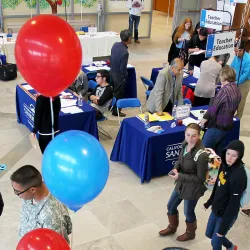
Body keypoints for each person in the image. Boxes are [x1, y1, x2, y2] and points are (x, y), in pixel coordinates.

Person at [159, 123, 208, 241]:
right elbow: (180, 160)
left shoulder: (202, 155)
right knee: (171, 205)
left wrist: (180, 176)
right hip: (181, 182)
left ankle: (190, 233)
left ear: (199, 135)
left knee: (188, 212)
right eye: (188, 135)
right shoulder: (185, 144)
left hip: (193, 188)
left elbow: (200, 179)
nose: (190, 139)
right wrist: (176, 168)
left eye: (194, 136)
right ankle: (172, 227)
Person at [10, 165, 72, 242]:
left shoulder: (51, 217)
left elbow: (54, 245)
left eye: (18, 192)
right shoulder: (28, 194)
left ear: (32, 190)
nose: (16, 194)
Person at [204, 140, 247, 250]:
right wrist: (210, 201)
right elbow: (217, 185)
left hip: (226, 214)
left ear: (239, 156)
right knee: (209, 233)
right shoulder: (224, 164)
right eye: (228, 153)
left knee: (215, 241)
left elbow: (234, 204)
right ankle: (231, 247)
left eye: (234, 156)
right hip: (216, 209)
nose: (229, 158)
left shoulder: (239, 176)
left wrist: (223, 228)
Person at [201, 66, 241, 156]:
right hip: (227, 126)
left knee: (203, 152)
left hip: (217, 127)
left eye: (220, 76)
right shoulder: (237, 89)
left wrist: (204, 119)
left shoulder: (224, 91)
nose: (219, 78)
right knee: (218, 154)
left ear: (224, 77)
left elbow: (213, 108)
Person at [110, 29, 132, 117]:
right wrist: (124, 77)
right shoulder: (125, 52)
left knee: (113, 92)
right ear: (128, 39)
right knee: (119, 93)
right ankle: (116, 111)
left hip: (112, 72)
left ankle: (111, 106)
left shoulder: (115, 45)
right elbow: (123, 68)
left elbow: (111, 58)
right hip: (119, 76)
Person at [231, 41, 250, 119]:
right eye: (234, 51)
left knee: (241, 100)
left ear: (242, 50)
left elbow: (245, 75)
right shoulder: (236, 56)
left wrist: (237, 82)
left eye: (236, 51)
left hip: (244, 82)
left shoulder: (248, 60)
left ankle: (238, 117)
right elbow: (232, 66)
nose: (235, 53)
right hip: (235, 80)